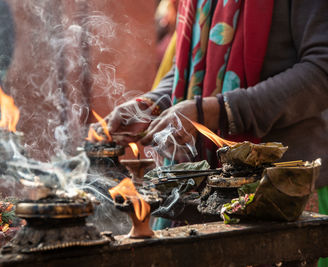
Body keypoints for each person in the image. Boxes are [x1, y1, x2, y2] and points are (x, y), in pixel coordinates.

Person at [96, 0, 328, 265]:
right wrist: (150, 106)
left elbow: (321, 70)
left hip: (277, 193)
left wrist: (215, 111)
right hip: (199, 191)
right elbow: (194, 63)